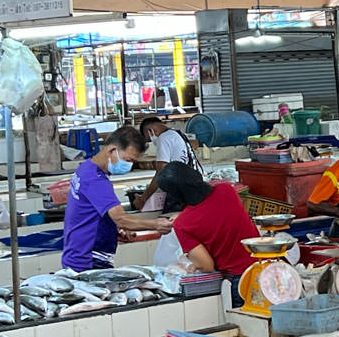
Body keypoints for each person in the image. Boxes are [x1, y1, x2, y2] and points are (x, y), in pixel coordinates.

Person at [62, 127, 172, 271]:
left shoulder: (86, 168)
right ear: (112, 150)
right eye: (128, 160)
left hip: (77, 255)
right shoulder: (96, 180)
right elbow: (120, 218)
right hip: (88, 261)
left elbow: (93, 213)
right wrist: (156, 224)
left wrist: (113, 228)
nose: (129, 165)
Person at [157, 163, 259, 279]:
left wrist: (193, 266)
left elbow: (206, 266)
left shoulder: (182, 224)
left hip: (239, 278)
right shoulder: (227, 190)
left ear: (175, 195)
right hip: (265, 267)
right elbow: (214, 213)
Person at [133, 116, 199, 212]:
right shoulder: (177, 133)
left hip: (178, 189)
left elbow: (161, 173)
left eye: (149, 139)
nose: (152, 141)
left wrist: (143, 198)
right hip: (191, 185)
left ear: (150, 131)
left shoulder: (163, 138)